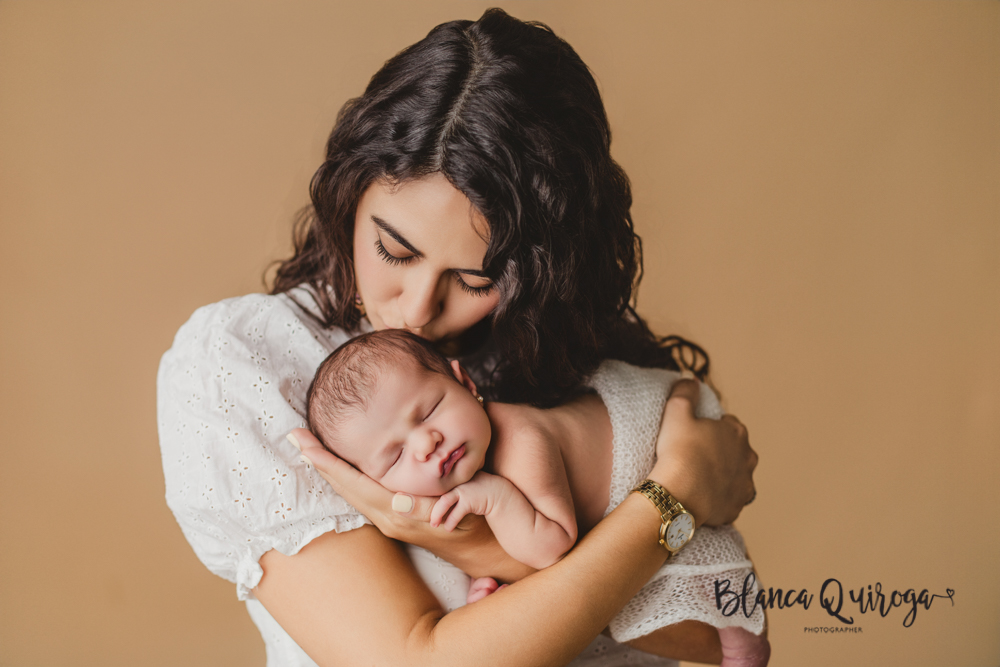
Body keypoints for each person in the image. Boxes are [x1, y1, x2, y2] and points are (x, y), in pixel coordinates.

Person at [157, 8, 759, 666]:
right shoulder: (251, 362)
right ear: (350, 194)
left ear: (540, 272)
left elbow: (712, 643)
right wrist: (677, 492)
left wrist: (490, 541)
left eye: (473, 279)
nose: (416, 309)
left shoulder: (566, 358)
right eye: (393, 249)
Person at [306, 329, 769, 664]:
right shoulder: (465, 460)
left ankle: (748, 641)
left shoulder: (522, 438)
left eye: (429, 411)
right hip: (646, 505)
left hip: (660, 435)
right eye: (395, 457)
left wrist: (494, 498)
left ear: (465, 383)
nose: (426, 444)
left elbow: (551, 548)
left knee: (724, 601)